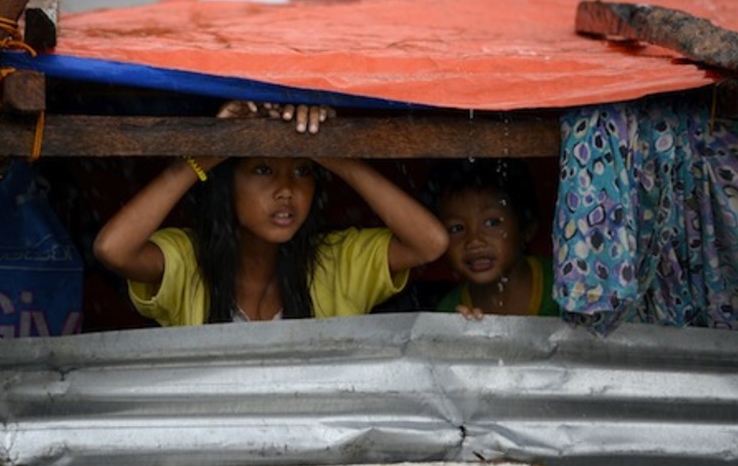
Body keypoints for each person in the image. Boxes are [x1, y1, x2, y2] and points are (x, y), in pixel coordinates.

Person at [93, 100, 448, 326]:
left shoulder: (338, 260)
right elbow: (113, 249)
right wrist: (207, 152)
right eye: (263, 170)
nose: (286, 190)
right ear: (226, 184)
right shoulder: (189, 259)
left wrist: (330, 149)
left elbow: (430, 243)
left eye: (302, 170)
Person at [429, 158, 559, 320]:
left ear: (527, 228)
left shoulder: (563, 285)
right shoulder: (451, 311)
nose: (474, 241)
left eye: (491, 223)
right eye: (457, 228)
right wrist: (459, 335)